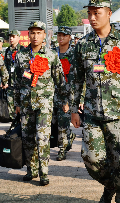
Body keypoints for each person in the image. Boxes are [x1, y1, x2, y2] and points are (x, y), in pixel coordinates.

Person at [71, 0, 120, 203]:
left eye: (97, 13)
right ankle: (111, 185)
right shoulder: (83, 45)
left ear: (109, 13)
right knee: (91, 158)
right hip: (92, 113)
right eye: (89, 13)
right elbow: (76, 79)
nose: (92, 18)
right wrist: (74, 109)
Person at [14, 21, 66, 186]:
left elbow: (60, 80)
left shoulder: (51, 55)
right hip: (26, 103)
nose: (35, 36)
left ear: (45, 35)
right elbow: (15, 81)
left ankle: (44, 172)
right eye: (32, 33)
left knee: (42, 137)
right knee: (28, 138)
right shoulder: (21, 55)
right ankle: (31, 169)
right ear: (28, 34)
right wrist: (16, 103)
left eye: (38, 33)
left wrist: (65, 100)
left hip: (44, 103)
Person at [52, 26, 76, 161]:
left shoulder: (73, 54)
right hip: (53, 92)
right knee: (54, 121)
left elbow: (76, 78)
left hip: (67, 93)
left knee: (63, 122)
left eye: (64, 35)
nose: (61, 38)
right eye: (59, 35)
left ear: (69, 37)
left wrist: (70, 100)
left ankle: (62, 149)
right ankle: (69, 136)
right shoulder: (52, 53)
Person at [4, 30, 24, 122]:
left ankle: (22, 124)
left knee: (21, 104)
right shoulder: (8, 50)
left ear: (18, 38)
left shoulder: (23, 50)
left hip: (20, 83)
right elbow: (5, 66)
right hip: (10, 83)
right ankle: (14, 123)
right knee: (10, 104)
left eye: (13, 36)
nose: (11, 39)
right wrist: (4, 81)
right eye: (10, 37)